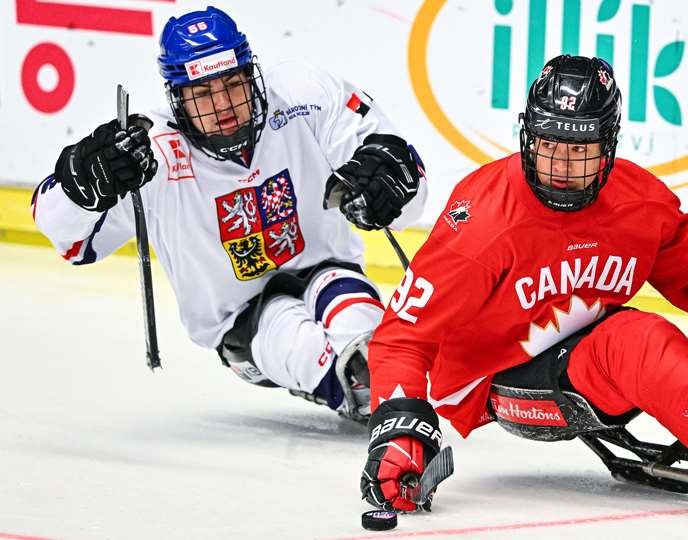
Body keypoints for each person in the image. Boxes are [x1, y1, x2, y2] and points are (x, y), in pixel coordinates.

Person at [359, 55, 688, 522]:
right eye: (548, 145)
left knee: (631, 338)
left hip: (582, 357)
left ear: (609, 145)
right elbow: (401, 337)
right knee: (635, 337)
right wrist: (399, 425)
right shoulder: (484, 218)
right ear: (527, 136)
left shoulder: (642, 203)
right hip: (493, 382)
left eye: (581, 149)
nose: (562, 167)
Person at [31, 6, 427, 422]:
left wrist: (391, 180)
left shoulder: (303, 96)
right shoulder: (153, 153)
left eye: (234, 84)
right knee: (304, 347)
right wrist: (83, 184)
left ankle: (390, 394)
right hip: (242, 323)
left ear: (250, 74)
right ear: (177, 97)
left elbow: (404, 178)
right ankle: (375, 408)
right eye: (202, 94)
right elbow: (72, 243)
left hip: (330, 271)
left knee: (361, 327)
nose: (223, 104)